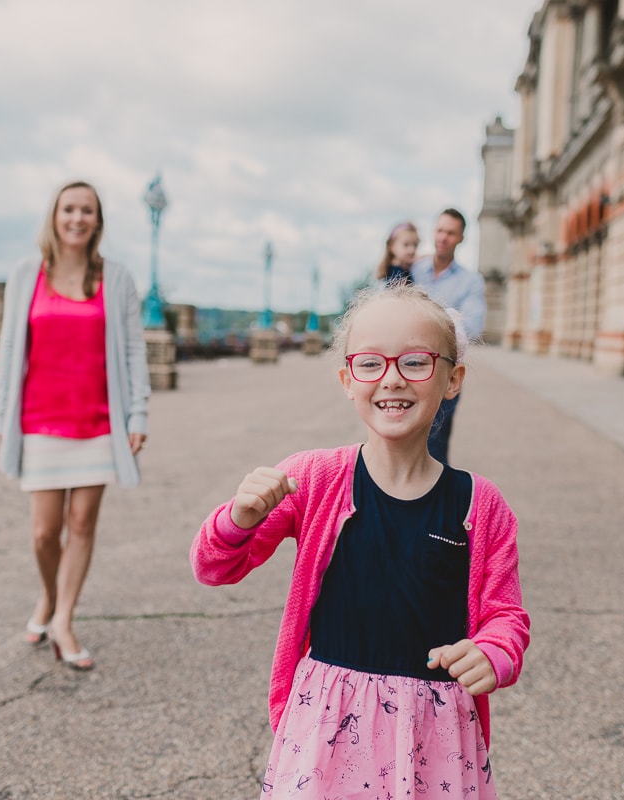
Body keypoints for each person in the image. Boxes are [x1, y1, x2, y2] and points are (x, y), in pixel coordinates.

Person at [190, 283, 530, 799]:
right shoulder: (313, 477)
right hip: (327, 721)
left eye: (416, 362)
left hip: (435, 732)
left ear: (452, 379)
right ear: (348, 380)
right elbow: (214, 567)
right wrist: (235, 520)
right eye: (371, 363)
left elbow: (506, 615)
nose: (391, 378)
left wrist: (494, 653)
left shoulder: (481, 504)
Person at [0, 179, 151, 671]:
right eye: (69, 209)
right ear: (55, 216)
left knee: (81, 524)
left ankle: (63, 619)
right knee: (44, 533)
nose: (77, 218)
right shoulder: (26, 275)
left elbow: (132, 349)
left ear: (97, 221)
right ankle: (49, 597)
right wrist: (2, 412)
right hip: (39, 421)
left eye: (87, 210)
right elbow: (8, 349)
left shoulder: (116, 278)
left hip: (99, 422)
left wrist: (137, 412)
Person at [411, 208, 487, 464]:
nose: (443, 237)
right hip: (405, 369)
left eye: (451, 233)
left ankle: (438, 501)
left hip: (442, 374)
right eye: (440, 230)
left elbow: (472, 327)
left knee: (435, 447)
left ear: (461, 238)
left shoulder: (471, 281)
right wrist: (448, 318)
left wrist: (421, 327)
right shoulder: (413, 269)